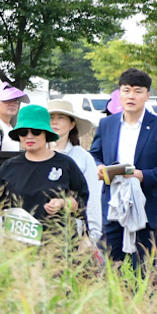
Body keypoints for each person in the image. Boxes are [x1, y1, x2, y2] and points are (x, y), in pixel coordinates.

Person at [87, 68, 157, 266]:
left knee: (143, 266)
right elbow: (95, 154)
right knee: (108, 264)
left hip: (147, 204)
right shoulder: (107, 124)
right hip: (113, 202)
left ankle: (143, 296)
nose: (131, 96)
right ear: (119, 93)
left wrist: (144, 176)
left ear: (147, 95)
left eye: (138, 91)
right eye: (126, 90)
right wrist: (98, 166)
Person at [0, 105, 90, 249]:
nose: (29, 136)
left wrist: (63, 203)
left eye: (36, 131)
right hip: (17, 249)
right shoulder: (9, 167)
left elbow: (82, 201)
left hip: (57, 248)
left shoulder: (65, 164)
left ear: (46, 134)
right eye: (23, 132)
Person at [42, 98, 102, 243]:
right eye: (51, 118)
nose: (54, 122)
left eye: (61, 118)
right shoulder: (37, 153)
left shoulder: (82, 157)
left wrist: (93, 235)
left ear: (71, 124)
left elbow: (92, 198)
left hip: (71, 232)